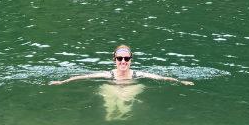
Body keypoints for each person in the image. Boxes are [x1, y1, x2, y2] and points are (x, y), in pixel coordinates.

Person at [50, 45, 193, 85]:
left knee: (127, 98)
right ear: (115, 60)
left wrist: (180, 81)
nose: (123, 61)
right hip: (113, 85)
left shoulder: (138, 74)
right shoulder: (108, 74)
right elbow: (85, 76)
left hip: (131, 85)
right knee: (109, 96)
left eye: (126, 58)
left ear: (131, 59)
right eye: (120, 58)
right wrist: (63, 81)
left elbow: (160, 78)